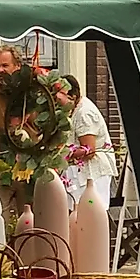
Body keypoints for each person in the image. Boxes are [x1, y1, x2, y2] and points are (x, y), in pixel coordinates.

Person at [56, 73, 117, 211]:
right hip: (80, 173)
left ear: (73, 97)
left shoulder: (85, 114)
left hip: (92, 174)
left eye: (59, 99)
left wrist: (61, 155)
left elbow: (89, 150)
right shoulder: (73, 109)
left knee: (89, 212)